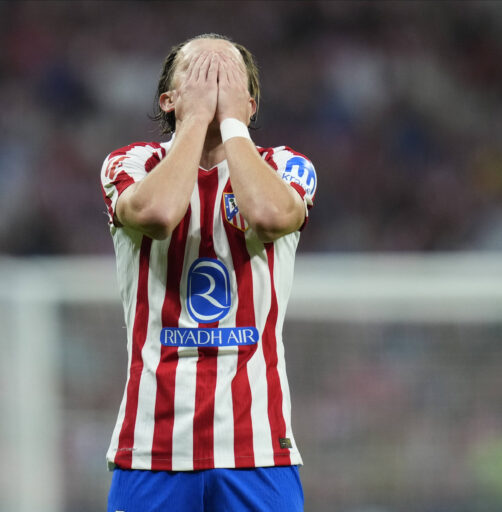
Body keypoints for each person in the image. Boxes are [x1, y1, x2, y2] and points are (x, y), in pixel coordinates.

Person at [100, 33, 317, 512]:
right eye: (199, 72)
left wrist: (231, 125)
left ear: (251, 102)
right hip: (151, 447)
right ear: (168, 99)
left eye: (228, 74)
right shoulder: (132, 163)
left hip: (258, 447)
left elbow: (267, 216)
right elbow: (157, 213)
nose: (214, 80)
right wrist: (196, 119)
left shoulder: (285, 166)